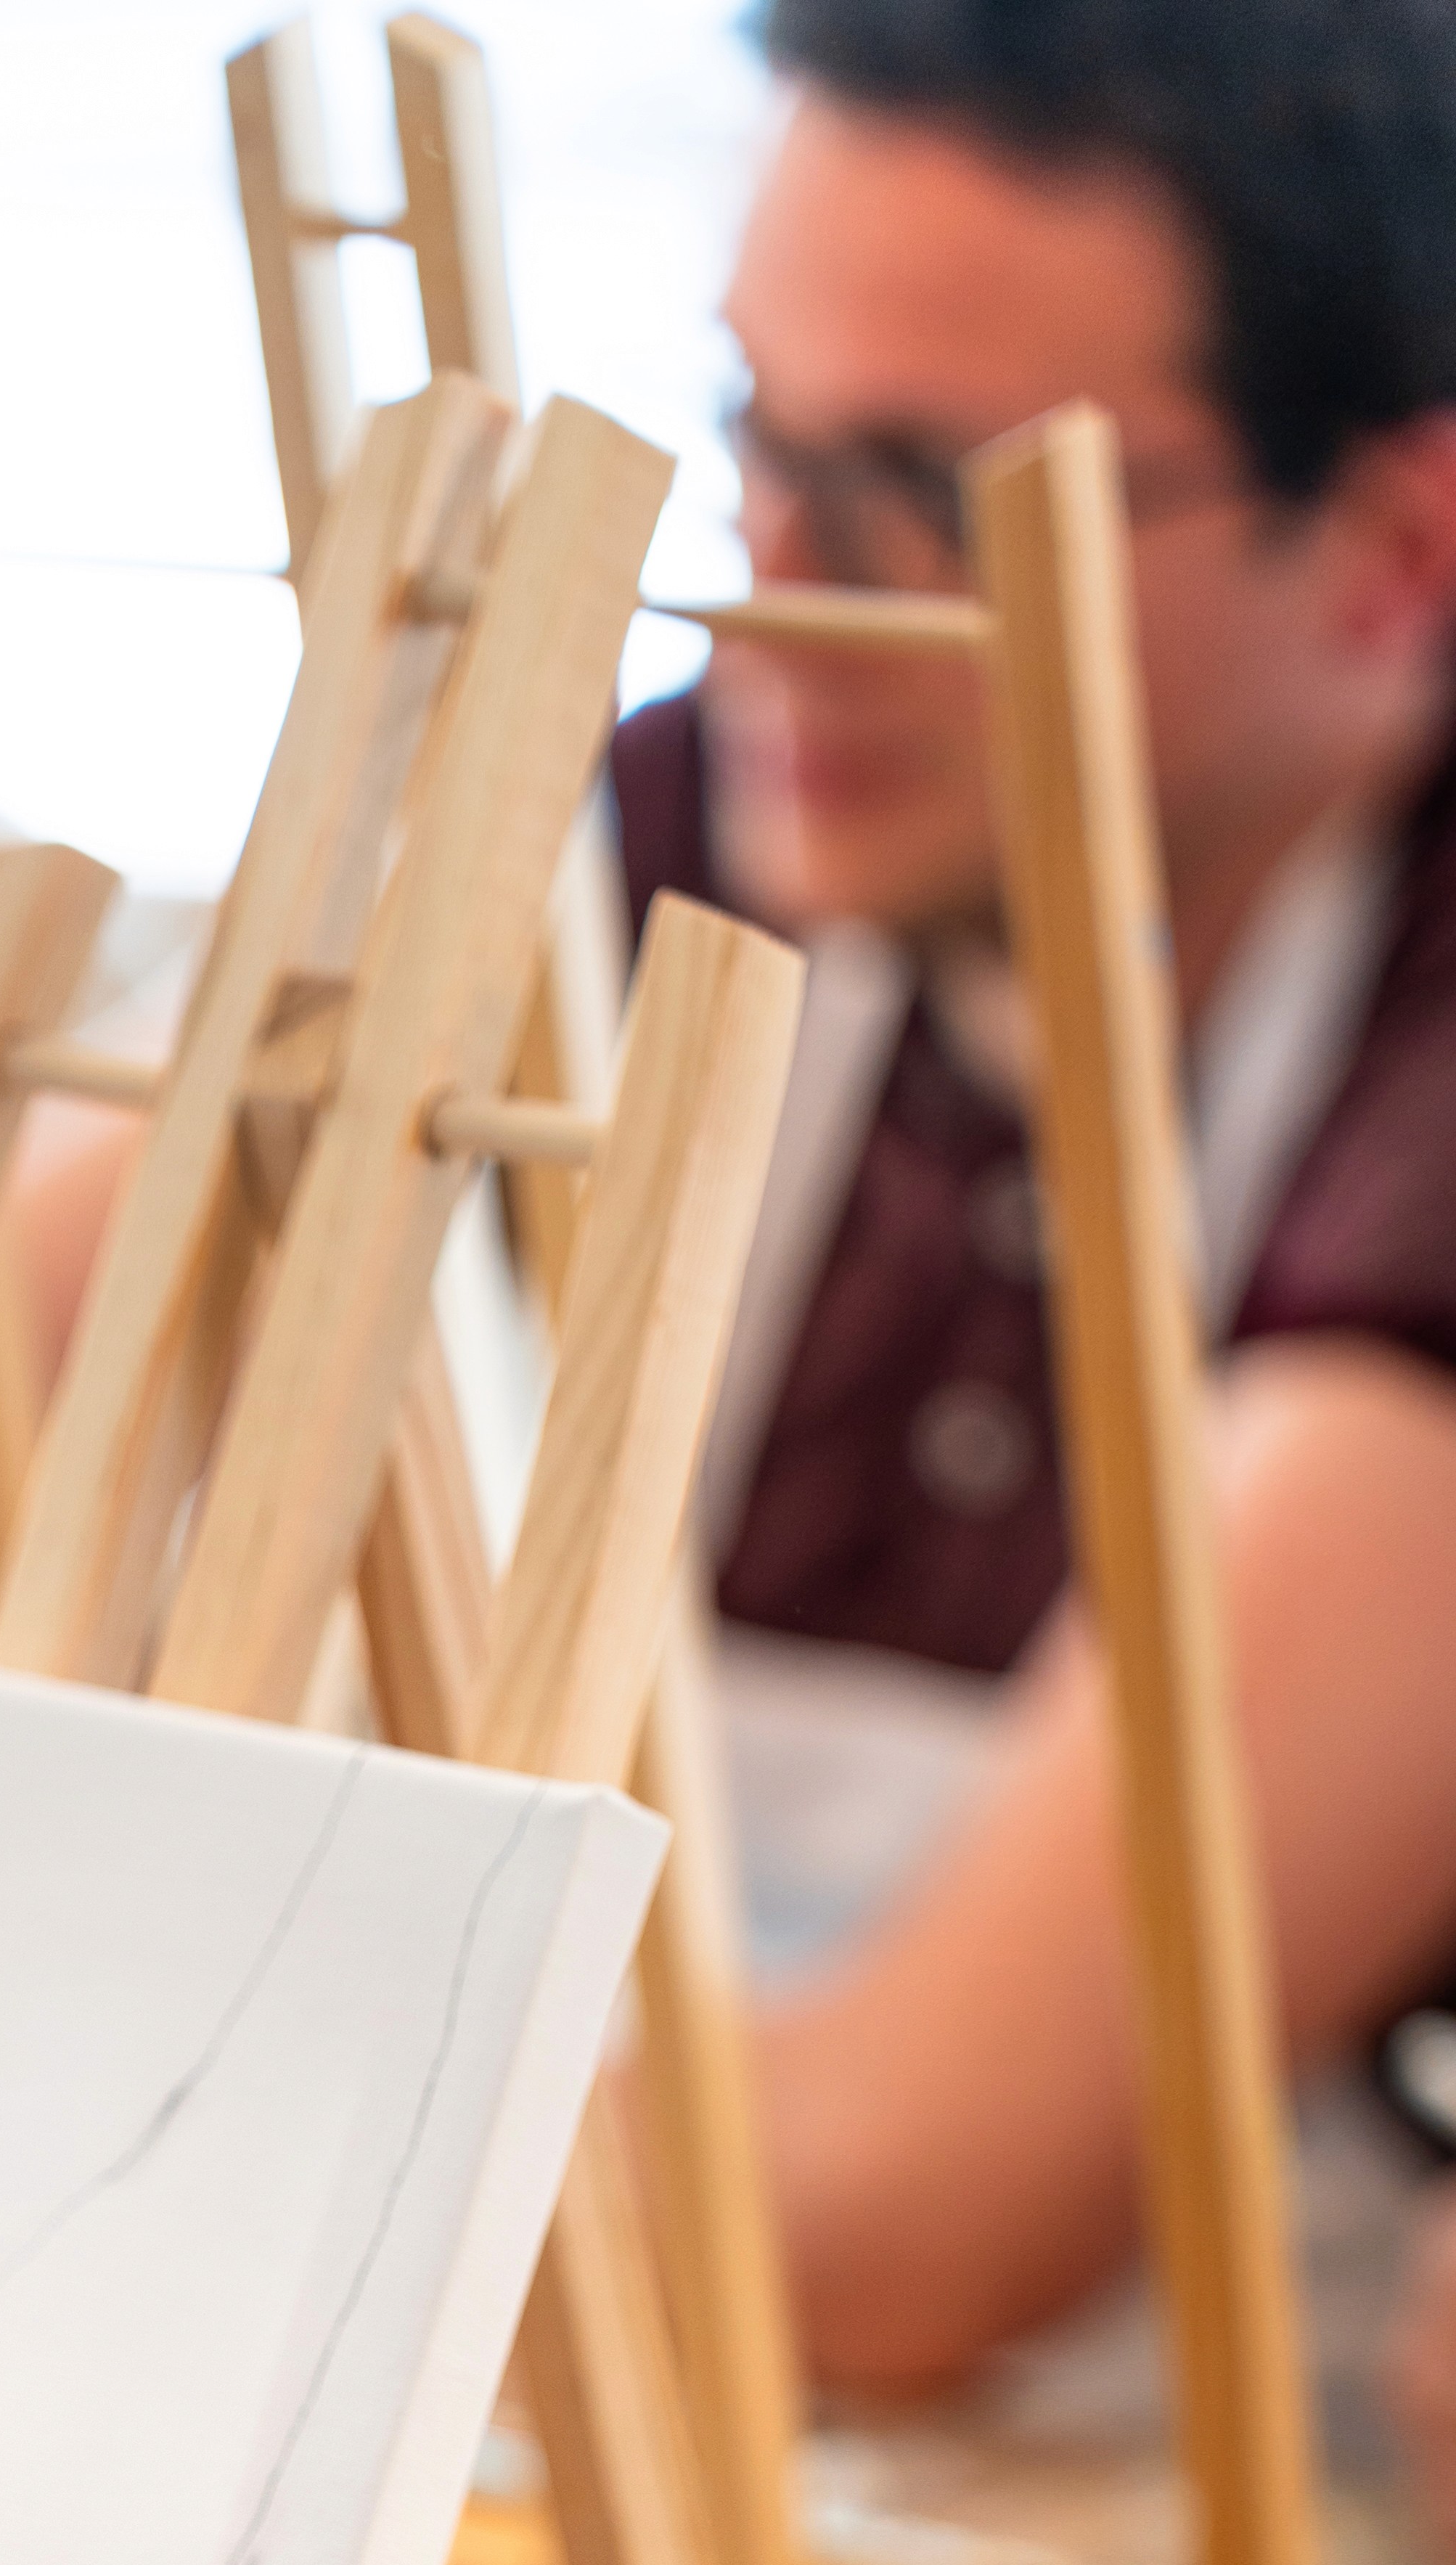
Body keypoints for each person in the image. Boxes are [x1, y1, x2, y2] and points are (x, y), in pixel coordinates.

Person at [618, 0, 1456, 2441]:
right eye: (752, 432)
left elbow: (900, 2212)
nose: (777, 594)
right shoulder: (681, 819)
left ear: (1398, 548)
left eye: (927, 494)